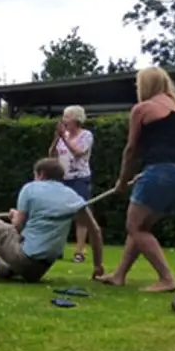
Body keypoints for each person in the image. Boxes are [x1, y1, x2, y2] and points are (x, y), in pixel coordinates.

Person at [95, 67, 175, 292]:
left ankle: (167, 278)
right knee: (142, 226)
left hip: (162, 173)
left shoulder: (142, 109)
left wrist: (122, 181)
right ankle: (119, 275)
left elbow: (131, 149)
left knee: (134, 226)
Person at [0, 158, 86, 283]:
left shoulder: (31, 188)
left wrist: (15, 217)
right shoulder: (73, 196)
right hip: (38, 270)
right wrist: (98, 267)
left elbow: (18, 227)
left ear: (41, 174)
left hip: (24, 259)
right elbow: (96, 231)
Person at [52, 105, 106, 272]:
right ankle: (57, 248)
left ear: (76, 120)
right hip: (63, 178)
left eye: (66, 117)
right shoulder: (63, 135)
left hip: (79, 179)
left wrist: (65, 140)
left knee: (81, 216)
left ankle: (80, 251)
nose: (63, 121)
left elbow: (78, 152)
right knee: (60, 214)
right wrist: (56, 138)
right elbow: (52, 154)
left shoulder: (86, 135)